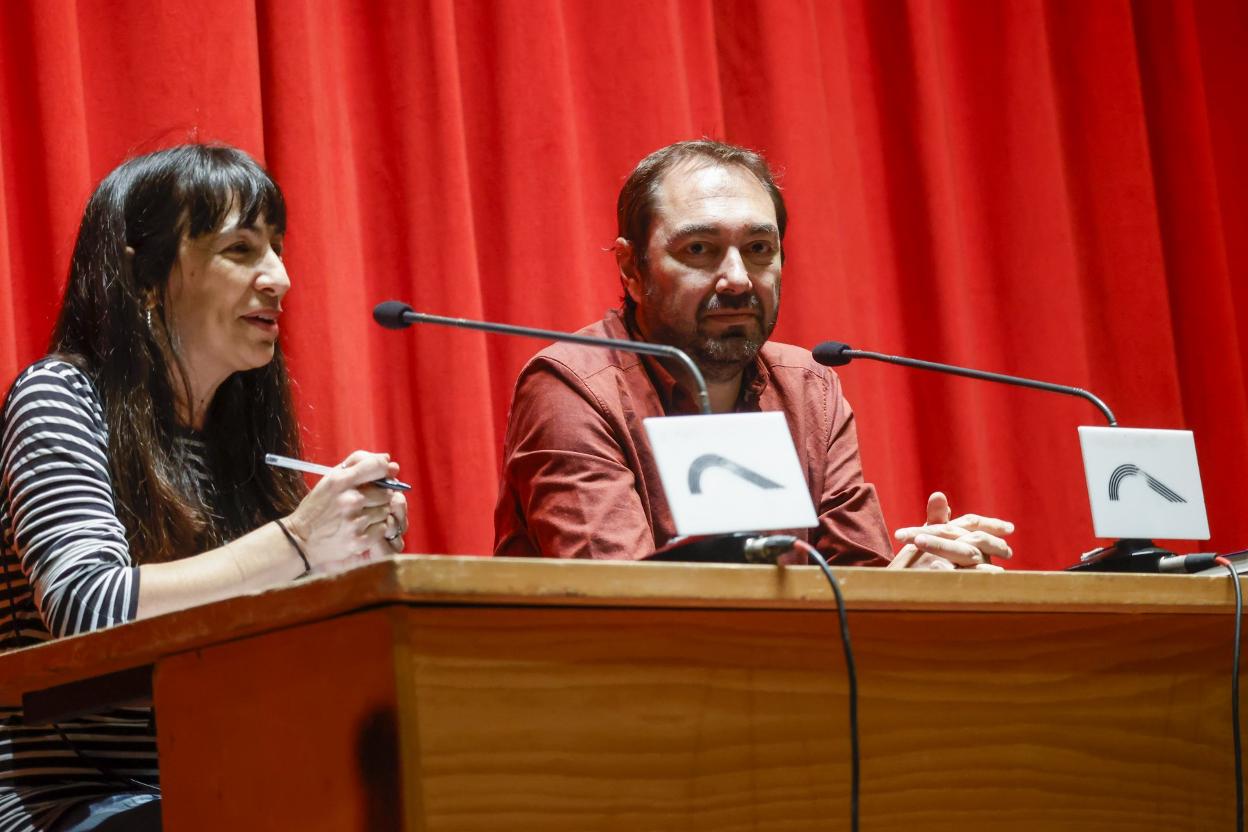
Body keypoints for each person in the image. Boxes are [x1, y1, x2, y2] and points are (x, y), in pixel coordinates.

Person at [0, 145, 408, 831]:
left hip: (226, 779)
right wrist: (300, 541)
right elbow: (87, 606)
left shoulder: (245, 447)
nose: (278, 278)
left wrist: (358, 568)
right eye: (240, 250)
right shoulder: (61, 398)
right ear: (145, 278)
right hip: (74, 799)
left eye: (276, 248)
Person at [494, 139, 1012, 568]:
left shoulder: (809, 387)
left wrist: (914, 577)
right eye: (699, 249)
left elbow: (857, 587)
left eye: (759, 249)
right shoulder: (573, 387)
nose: (739, 279)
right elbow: (628, 606)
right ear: (632, 269)